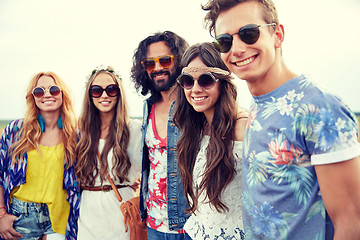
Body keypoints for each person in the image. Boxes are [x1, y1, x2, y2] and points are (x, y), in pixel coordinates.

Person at [202, 0, 360, 239]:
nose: (237, 49)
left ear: (277, 35)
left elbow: (351, 222)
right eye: (225, 41)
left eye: (249, 34)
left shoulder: (320, 106)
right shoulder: (258, 103)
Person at [173, 42, 248, 240]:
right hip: (196, 233)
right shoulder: (194, 129)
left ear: (223, 82)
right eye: (188, 81)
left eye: (205, 80)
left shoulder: (244, 128)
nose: (195, 89)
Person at [0, 72, 79, 240]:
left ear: (62, 94)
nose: (47, 94)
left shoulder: (76, 135)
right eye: (39, 91)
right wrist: (1, 215)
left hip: (61, 219)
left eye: (54, 89)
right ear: (33, 97)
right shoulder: (15, 131)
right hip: (21, 219)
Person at [130, 31, 191, 239]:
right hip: (154, 223)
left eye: (165, 60)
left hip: (189, 224)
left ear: (180, 61)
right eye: (149, 63)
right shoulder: (148, 107)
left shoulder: (193, 104)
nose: (157, 68)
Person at [75, 66, 142, 240]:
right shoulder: (81, 131)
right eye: (97, 90)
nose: (104, 95)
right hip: (88, 211)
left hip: (121, 209)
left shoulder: (132, 129)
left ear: (119, 93)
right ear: (90, 95)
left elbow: (148, 173)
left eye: (111, 89)